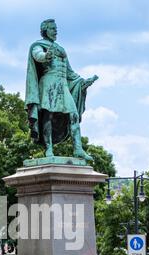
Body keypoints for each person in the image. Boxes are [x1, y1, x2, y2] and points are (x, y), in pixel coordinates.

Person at [25, 19, 98, 162]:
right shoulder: (38, 45)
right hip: (48, 84)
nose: (55, 31)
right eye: (52, 28)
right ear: (45, 30)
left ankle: (78, 149)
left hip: (63, 86)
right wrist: (46, 56)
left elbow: (70, 72)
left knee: (74, 115)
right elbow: (38, 56)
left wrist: (83, 82)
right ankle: (49, 148)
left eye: (56, 28)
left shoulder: (60, 48)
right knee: (48, 116)